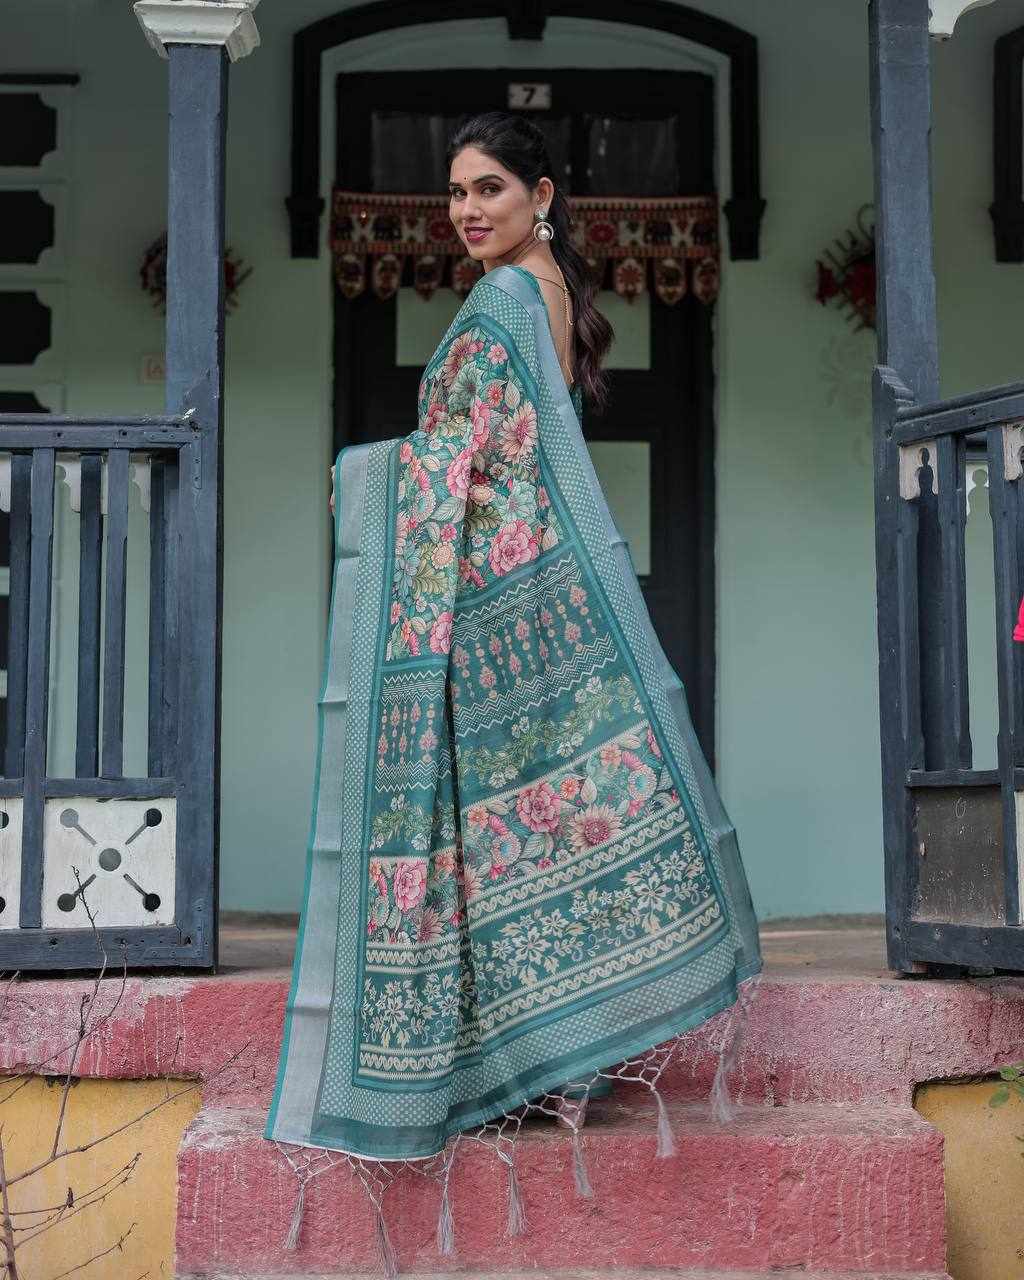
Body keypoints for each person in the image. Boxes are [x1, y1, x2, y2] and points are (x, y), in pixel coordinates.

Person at [265, 109, 761, 1240]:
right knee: (531, 821)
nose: (465, 210)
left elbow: (474, 460)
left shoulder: (502, 300)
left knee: (494, 825)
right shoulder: (545, 292)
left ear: (542, 196)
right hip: (528, 592)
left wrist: (367, 475)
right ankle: (570, 1056)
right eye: (455, 192)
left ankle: (540, 1058)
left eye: (488, 187)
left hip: (488, 603)